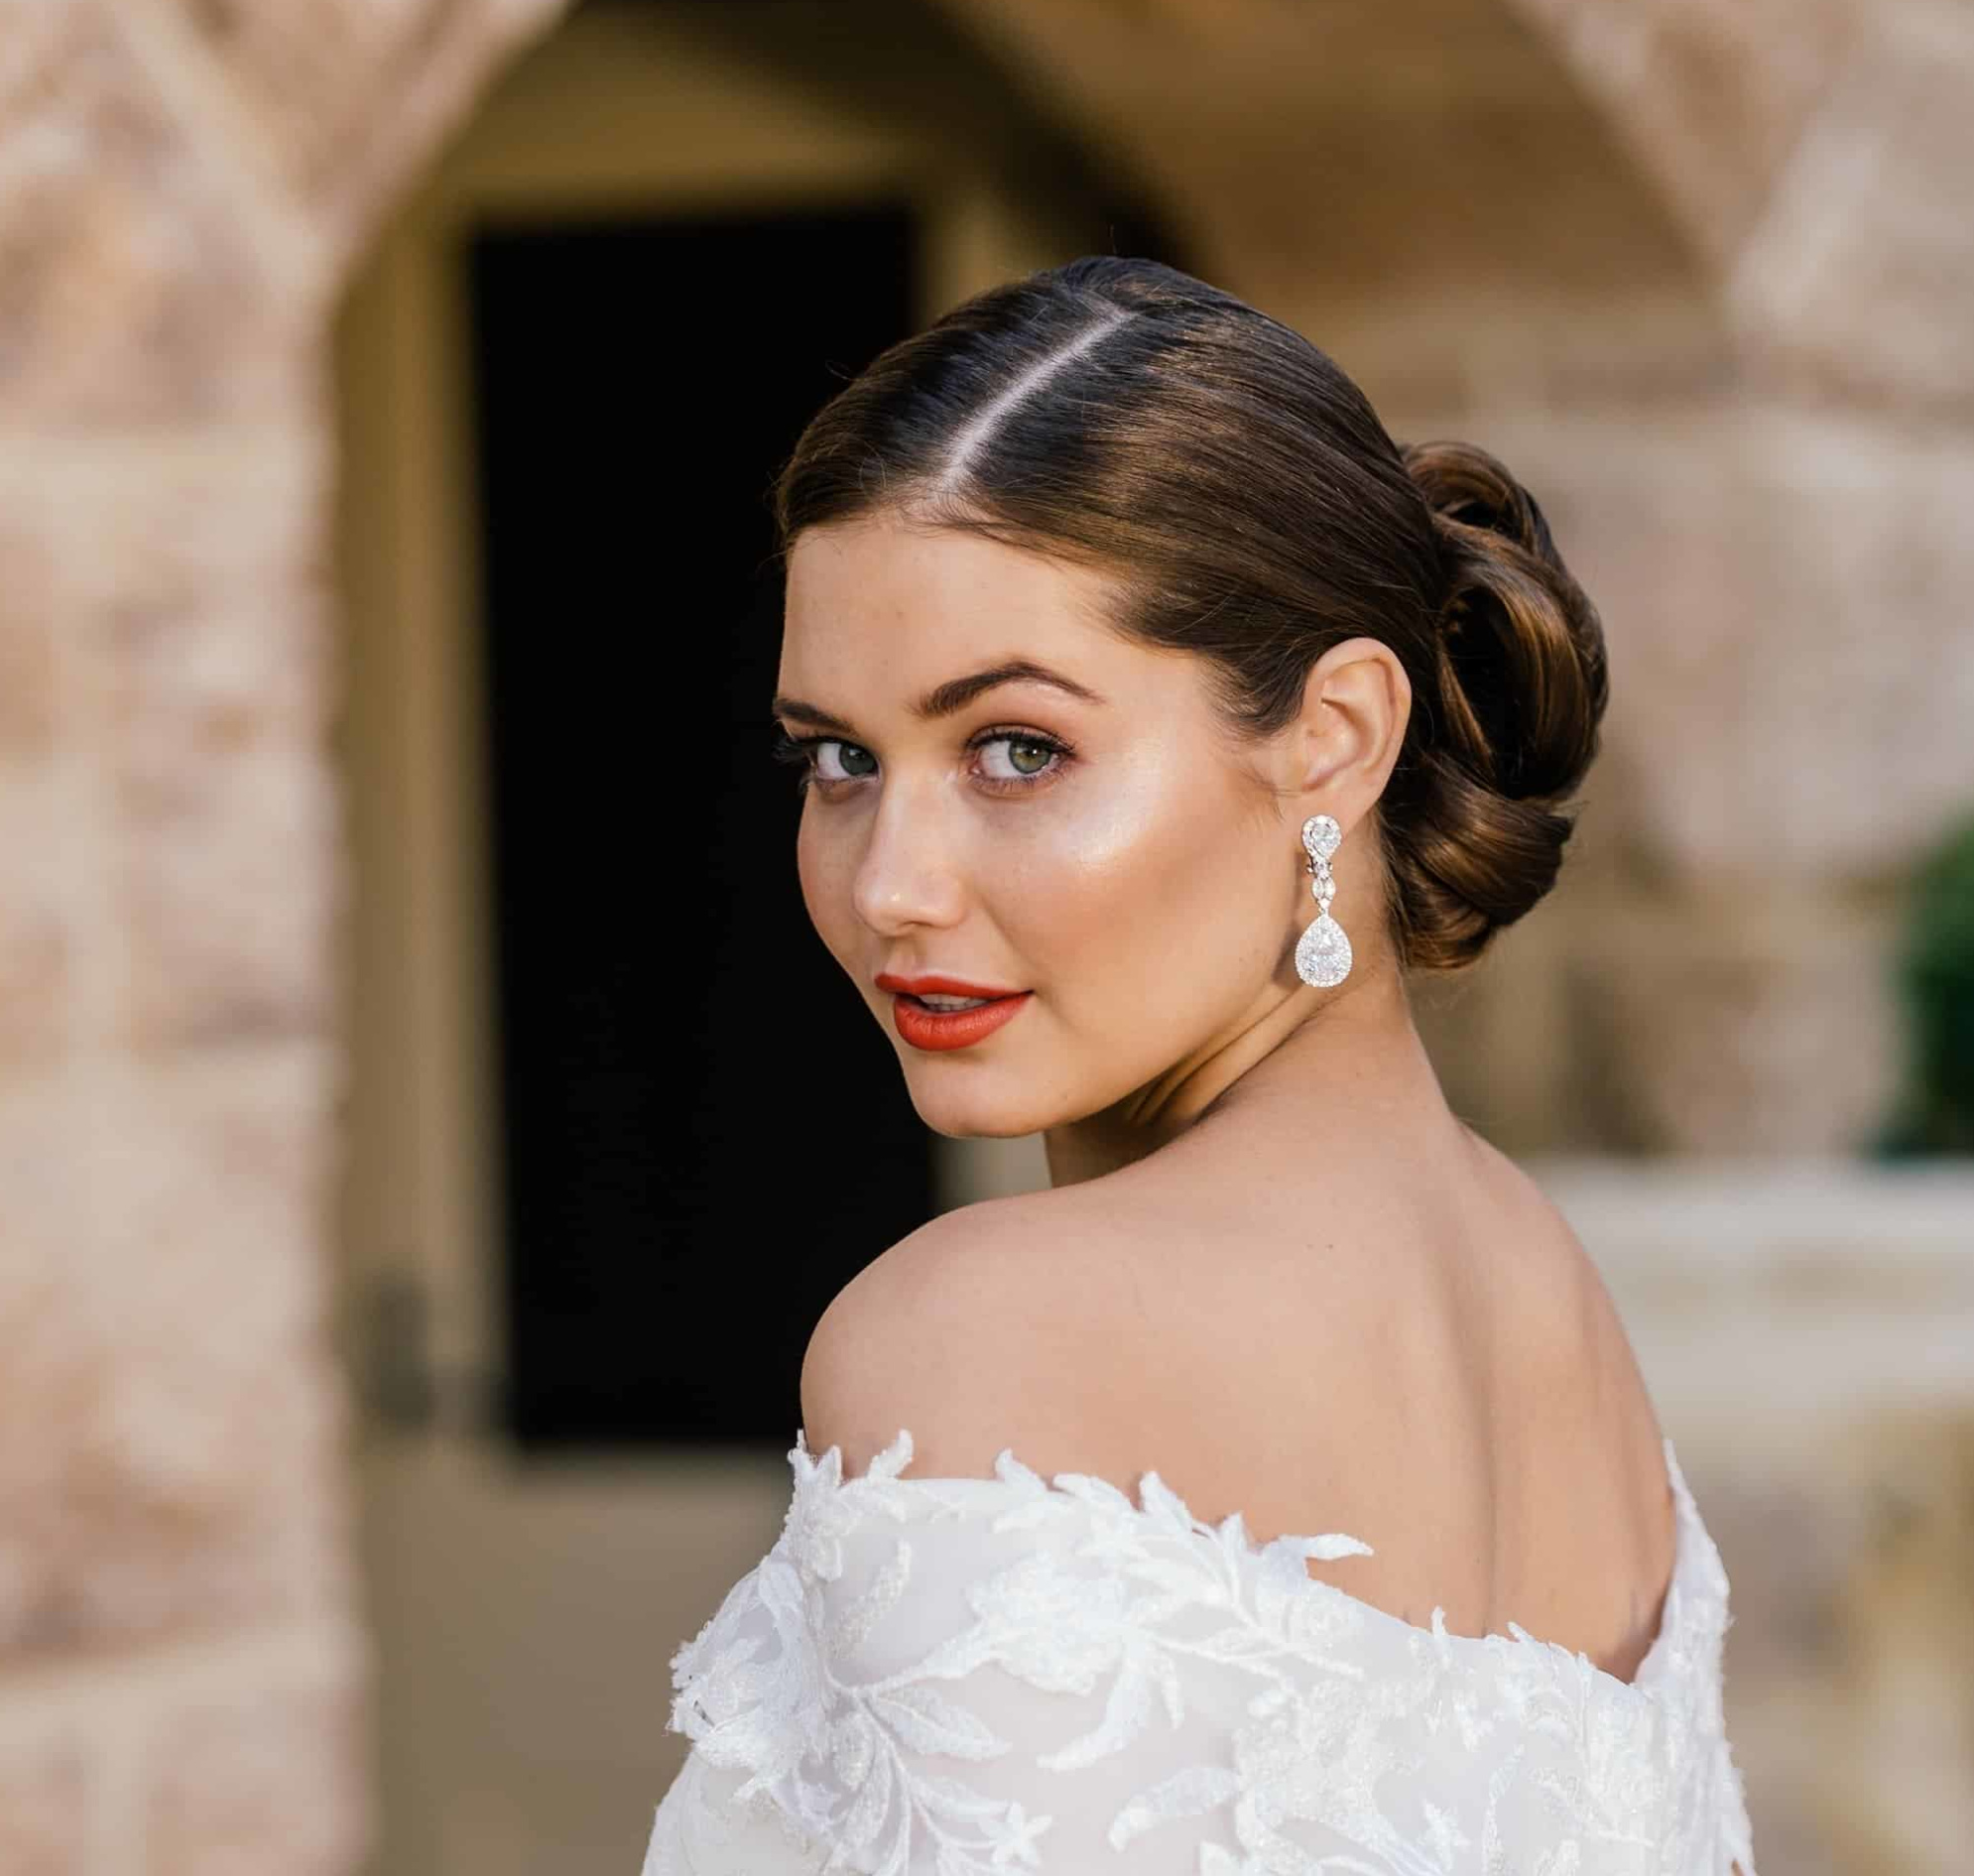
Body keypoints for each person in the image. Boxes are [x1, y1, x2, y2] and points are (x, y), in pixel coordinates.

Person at [642, 256, 1757, 1874]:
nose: (891, 882)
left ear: (1334, 736)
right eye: (839, 759)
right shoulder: (1561, 1313)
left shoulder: (981, 1334)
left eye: (1017, 749)